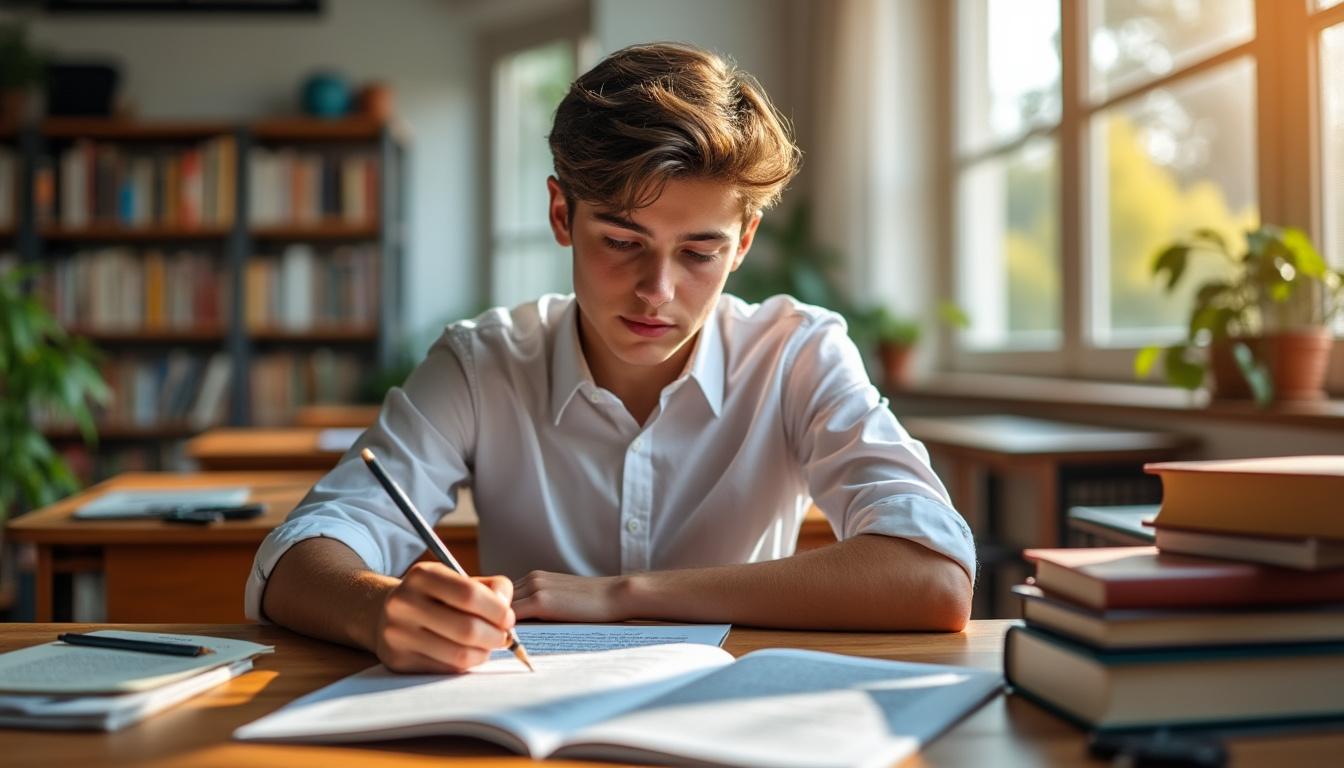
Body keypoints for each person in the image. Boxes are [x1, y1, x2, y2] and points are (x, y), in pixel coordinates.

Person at [246, 42, 976, 674]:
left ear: (744, 242)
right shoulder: (483, 362)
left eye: (699, 251)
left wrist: (626, 596)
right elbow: (294, 561)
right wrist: (380, 610)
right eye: (622, 242)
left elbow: (933, 574)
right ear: (562, 215)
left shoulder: (796, 353)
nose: (657, 291)